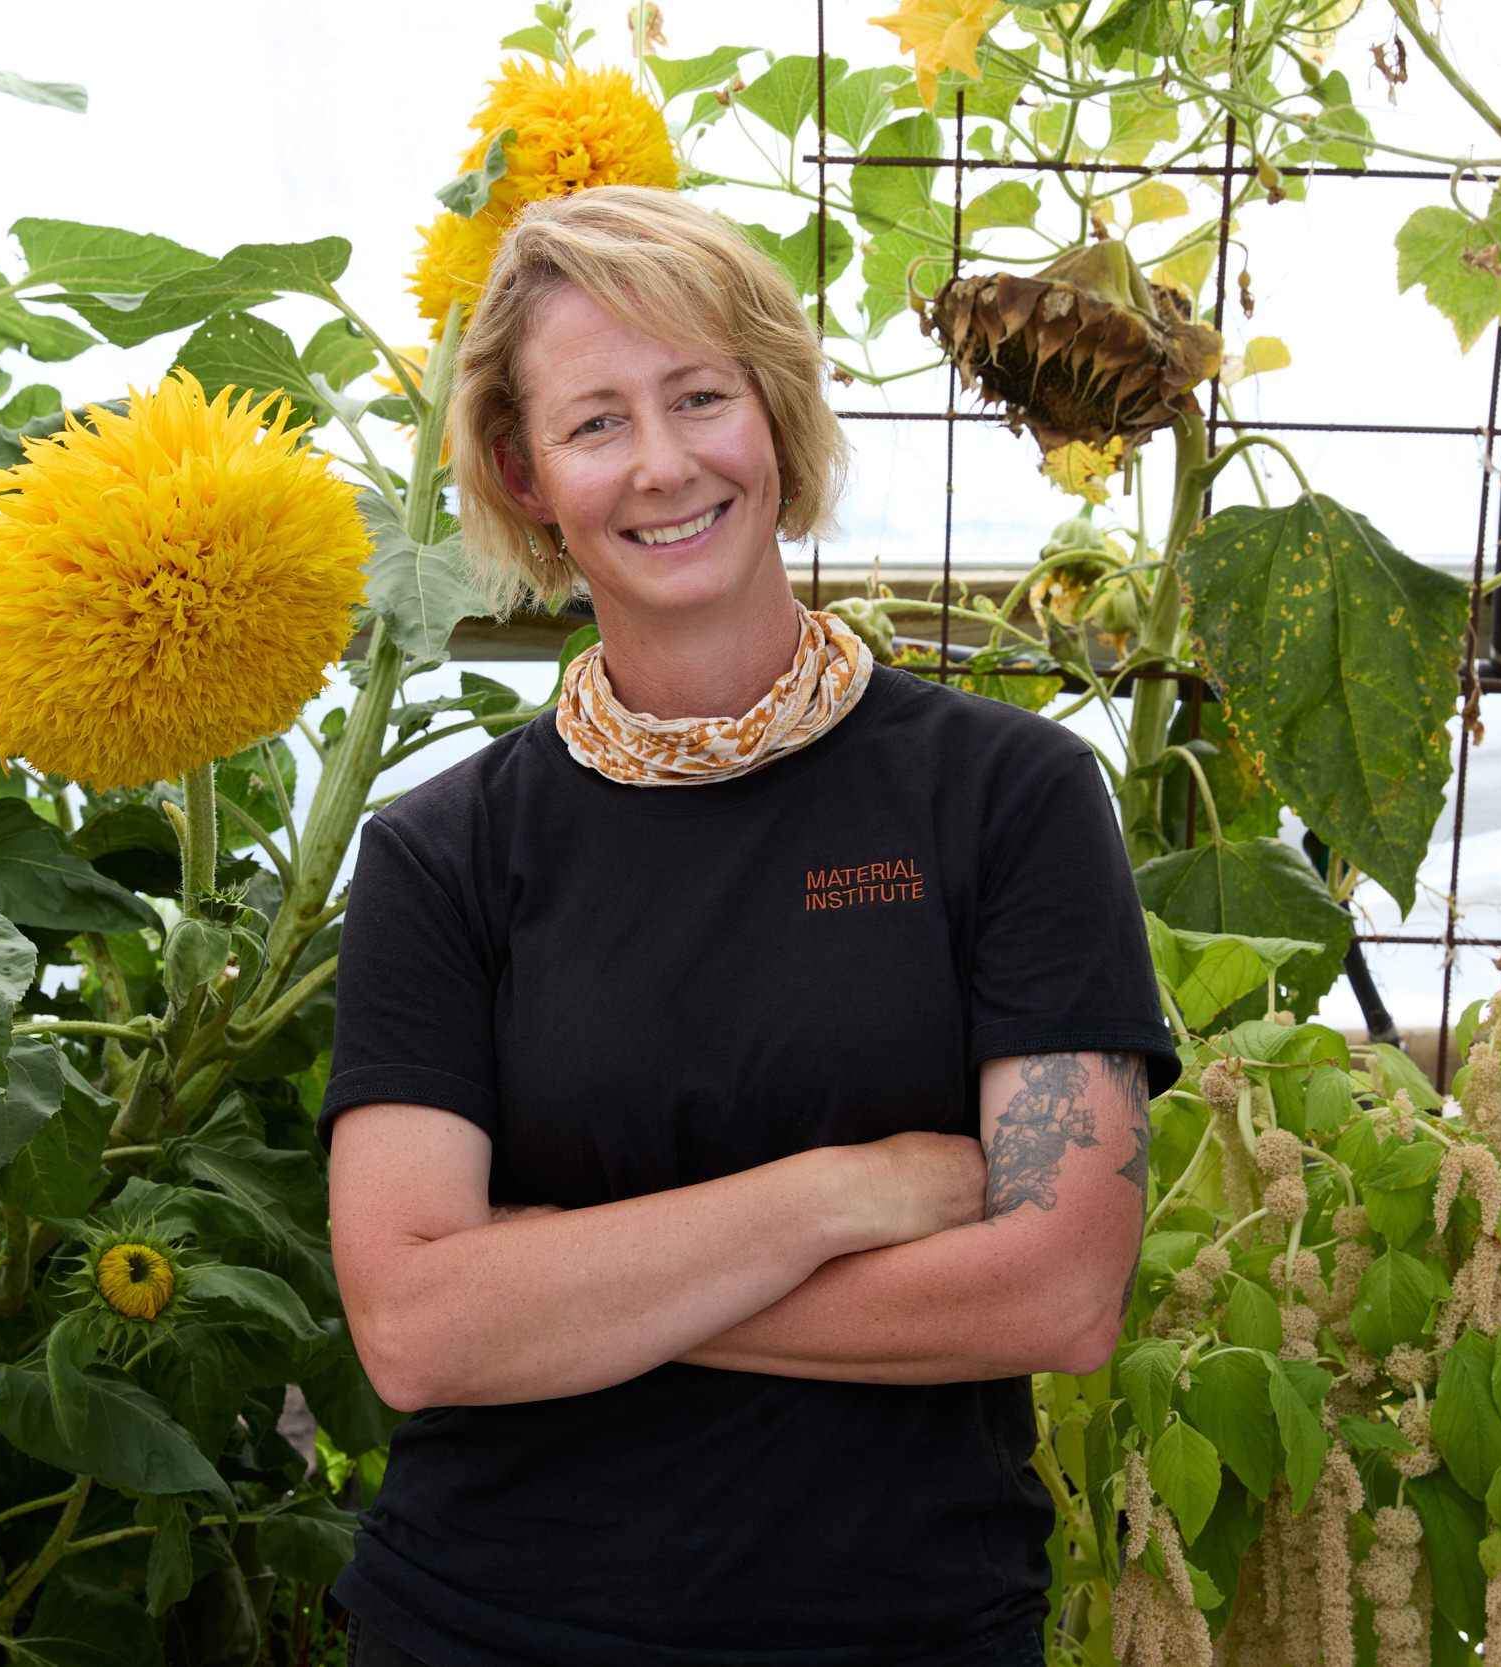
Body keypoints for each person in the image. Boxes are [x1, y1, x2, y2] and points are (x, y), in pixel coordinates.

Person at [316, 183, 1181, 1667]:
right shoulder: (440, 855)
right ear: (526, 474)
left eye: (701, 397)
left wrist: (556, 1283)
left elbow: (1057, 1291)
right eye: (596, 423)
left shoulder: (1009, 799)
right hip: (486, 1627)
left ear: (775, 414)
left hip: (899, 1632)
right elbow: (413, 1333)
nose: (663, 465)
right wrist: (836, 1197)